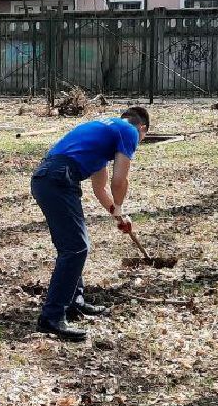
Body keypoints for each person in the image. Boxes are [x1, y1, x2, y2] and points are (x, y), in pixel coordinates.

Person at [29, 106, 150, 340]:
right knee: (75, 248)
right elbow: (119, 181)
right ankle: (52, 317)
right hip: (58, 179)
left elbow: (100, 188)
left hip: (49, 178)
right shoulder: (130, 131)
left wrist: (119, 215)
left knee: (75, 245)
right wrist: (120, 206)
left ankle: (74, 302)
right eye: (142, 138)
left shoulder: (104, 132)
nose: (138, 143)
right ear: (142, 128)